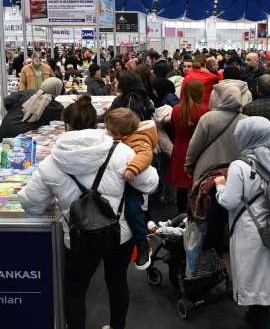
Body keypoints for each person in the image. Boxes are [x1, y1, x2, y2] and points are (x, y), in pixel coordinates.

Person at [18, 95, 158, 329]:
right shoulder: (121, 151)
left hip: (79, 236)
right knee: (117, 282)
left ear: (68, 126)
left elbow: (31, 204)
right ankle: (116, 326)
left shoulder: (51, 162)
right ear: (96, 124)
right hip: (119, 233)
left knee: (75, 290)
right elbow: (150, 184)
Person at [213, 117, 270, 329]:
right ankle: (255, 314)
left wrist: (220, 186)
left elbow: (230, 202)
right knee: (265, 277)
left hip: (250, 230)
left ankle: (259, 320)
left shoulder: (239, 166)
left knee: (254, 279)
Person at [104, 108, 159, 270]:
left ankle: (142, 241)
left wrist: (133, 168)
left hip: (132, 185)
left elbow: (145, 154)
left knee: (132, 210)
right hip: (123, 183)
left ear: (118, 132)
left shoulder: (138, 139)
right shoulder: (128, 136)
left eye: (109, 130)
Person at [185, 86, 247, 186]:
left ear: (223, 98)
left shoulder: (208, 118)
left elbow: (195, 144)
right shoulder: (247, 121)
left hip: (207, 170)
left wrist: (189, 164)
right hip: (235, 171)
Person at [167, 80, 210, 214]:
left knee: (182, 186)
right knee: (198, 184)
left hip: (180, 148)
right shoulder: (205, 111)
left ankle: (181, 213)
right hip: (199, 150)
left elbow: (173, 131)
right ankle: (195, 213)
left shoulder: (176, 110)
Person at [0, 78, 65, 145]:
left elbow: (7, 100)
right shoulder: (56, 107)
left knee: (1, 155)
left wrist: (14, 111)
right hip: (20, 138)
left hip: (4, 131)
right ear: (57, 90)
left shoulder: (29, 92)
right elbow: (64, 119)